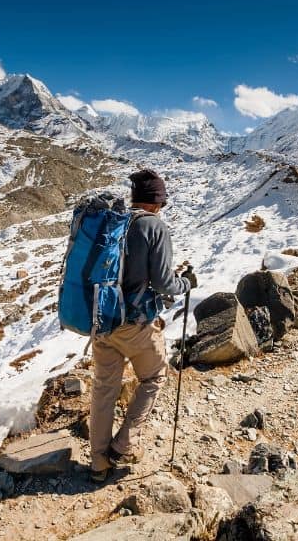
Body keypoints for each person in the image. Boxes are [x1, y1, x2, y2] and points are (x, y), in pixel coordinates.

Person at [89, 169, 196, 482]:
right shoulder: (154, 226)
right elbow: (164, 282)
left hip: (103, 320)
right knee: (153, 376)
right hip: (135, 324)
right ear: (156, 201)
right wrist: (186, 283)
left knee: (104, 388)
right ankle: (122, 446)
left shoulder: (114, 222)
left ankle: (98, 463)